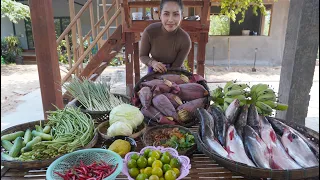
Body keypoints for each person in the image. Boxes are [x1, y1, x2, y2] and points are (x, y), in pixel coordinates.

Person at [139, 0, 192, 74]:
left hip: (175, 71)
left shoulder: (185, 40)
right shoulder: (150, 31)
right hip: (154, 69)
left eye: (176, 14)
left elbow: (176, 66)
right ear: (160, 15)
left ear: (181, 16)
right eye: (166, 14)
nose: (170, 20)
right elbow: (143, 56)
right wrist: (153, 63)